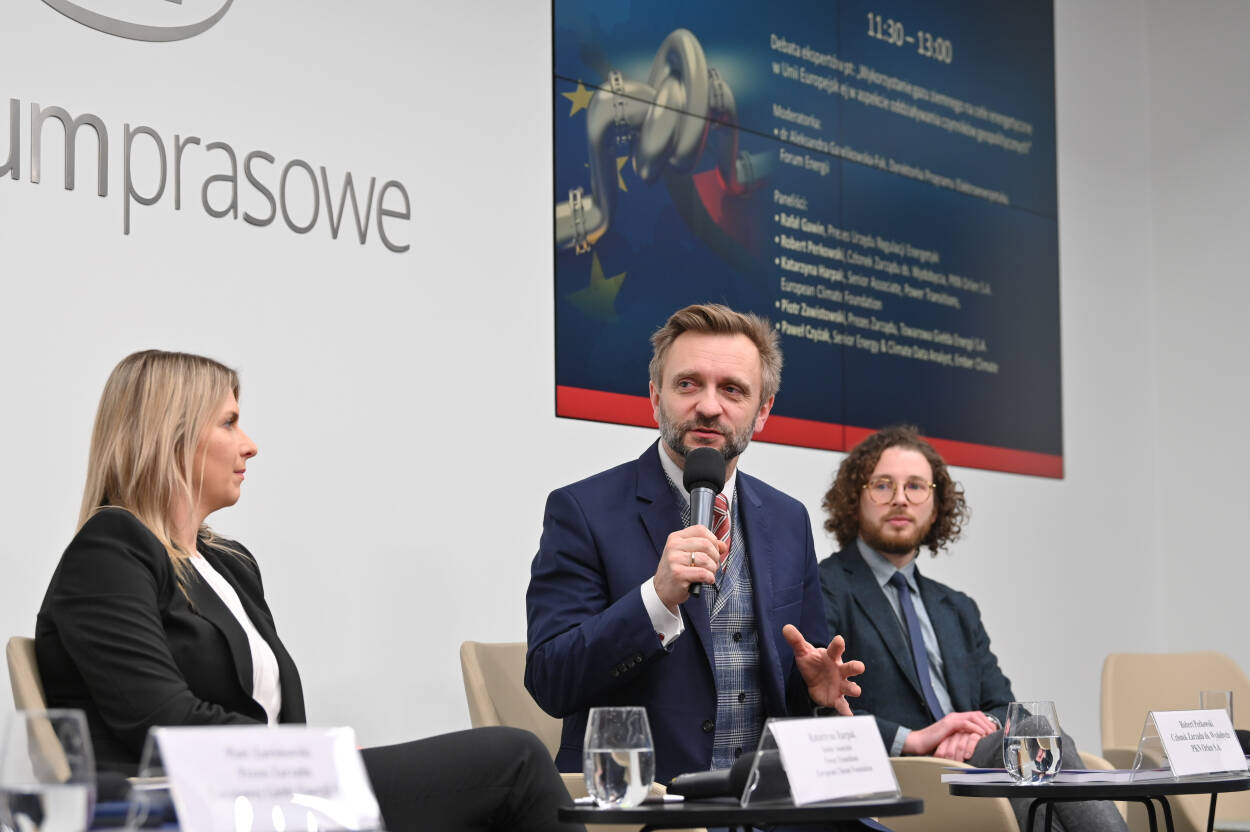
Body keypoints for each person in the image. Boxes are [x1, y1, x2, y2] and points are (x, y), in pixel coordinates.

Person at [36, 350, 584, 832]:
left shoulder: (228, 563)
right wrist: (315, 756)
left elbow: (274, 715)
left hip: (274, 795)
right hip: (194, 805)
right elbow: (165, 722)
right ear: (170, 437)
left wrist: (311, 757)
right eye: (229, 423)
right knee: (513, 760)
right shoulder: (110, 549)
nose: (250, 445)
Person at [525, 303, 864, 786]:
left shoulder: (789, 518)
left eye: (732, 389)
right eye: (687, 384)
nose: (708, 406)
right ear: (655, 397)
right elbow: (550, 682)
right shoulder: (582, 510)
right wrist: (656, 600)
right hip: (643, 803)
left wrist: (813, 695)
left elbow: (793, 680)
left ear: (763, 411)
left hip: (765, 804)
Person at [817, 426, 1126, 832]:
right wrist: (916, 738)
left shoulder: (957, 607)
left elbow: (1002, 704)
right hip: (899, 772)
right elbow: (817, 711)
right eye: (882, 485)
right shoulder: (823, 587)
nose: (900, 499)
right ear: (853, 499)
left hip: (974, 764)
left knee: (1028, 753)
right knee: (1034, 736)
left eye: (916, 486)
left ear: (935, 507)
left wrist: (978, 730)